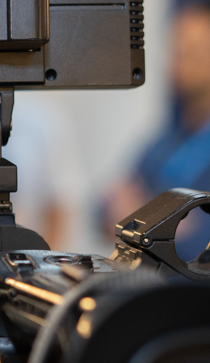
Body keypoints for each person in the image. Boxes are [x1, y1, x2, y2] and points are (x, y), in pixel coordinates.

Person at [106, 0, 210, 261]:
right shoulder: (168, 141)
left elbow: (199, 246)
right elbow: (104, 204)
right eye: (176, 50)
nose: (178, 63)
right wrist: (161, 228)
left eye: (192, 52)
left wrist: (135, 216)